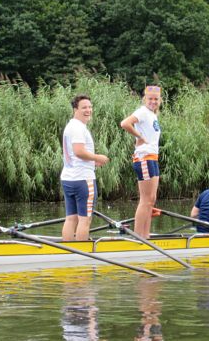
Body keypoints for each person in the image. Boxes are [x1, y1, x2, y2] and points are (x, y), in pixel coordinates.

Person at [61, 95, 110, 241]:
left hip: (68, 178)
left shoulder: (71, 126)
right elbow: (78, 151)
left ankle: (67, 251)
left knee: (71, 218)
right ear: (75, 109)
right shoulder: (78, 128)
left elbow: (74, 154)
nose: (88, 110)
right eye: (84, 107)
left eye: (90, 107)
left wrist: (92, 162)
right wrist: (98, 157)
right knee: (84, 220)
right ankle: (83, 255)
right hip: (83, 179)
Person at [120, 85, 162, 238]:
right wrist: (139, 137)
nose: (153, 101)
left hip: (152, 158)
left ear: (160, 100)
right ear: (145, 99)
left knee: (151, 200)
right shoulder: (142, 112)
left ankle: (146, 235)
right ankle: (139, 237)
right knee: (145, 200)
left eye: (156, 99)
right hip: (144, 158)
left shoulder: (152, 115)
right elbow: (125, 123)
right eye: (150, 99)